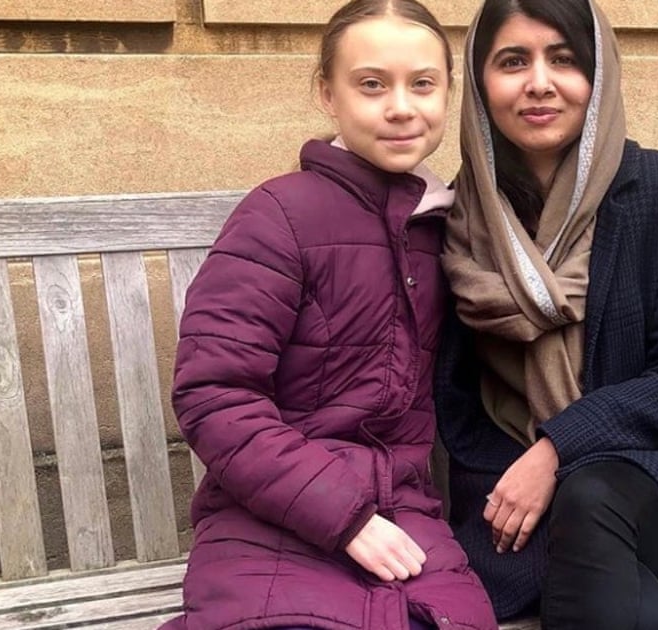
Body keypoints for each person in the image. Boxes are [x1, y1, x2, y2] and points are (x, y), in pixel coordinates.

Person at [162, 1, 497, 629]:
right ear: (327, 93)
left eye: (423, 84)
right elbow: (214, 393)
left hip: (407, 516)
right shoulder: (278, 216)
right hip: (267, 519)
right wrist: (346, 518)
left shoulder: (447, 229)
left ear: (449, 92)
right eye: (371, 84)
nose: (401, 107)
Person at [435, 0, 658, 628]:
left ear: (599, 75)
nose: (539, 83)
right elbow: (454, 401)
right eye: (512, 61)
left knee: (591, 498)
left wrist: (557, 449)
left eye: (564, 59)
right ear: (481, 83)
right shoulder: (459, 218)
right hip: (504, 489)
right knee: (594, 547)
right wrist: (521, 476)